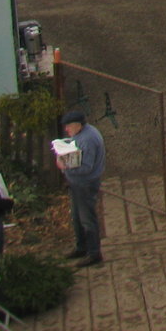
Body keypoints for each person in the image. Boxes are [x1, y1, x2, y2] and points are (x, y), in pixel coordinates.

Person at [57, 109, 106, 267]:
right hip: (77, 183)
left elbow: (86, 167)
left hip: (85, 184)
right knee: (77, 217)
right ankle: (81, 247)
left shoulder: (88, 139)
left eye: (68, 126)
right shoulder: (82, 134)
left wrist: (64, 167)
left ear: (78, 125)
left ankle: (94, 253)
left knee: (87, 219)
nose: (66, 129)